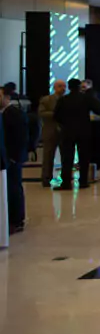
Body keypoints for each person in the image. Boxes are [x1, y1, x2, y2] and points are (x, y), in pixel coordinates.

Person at [54, 78, 100, 190]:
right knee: (84, 157)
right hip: (84, 131)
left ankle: (66, 183)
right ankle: (83, 181)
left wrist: (65, 123)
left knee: (67, 158)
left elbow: (56, 116)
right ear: (79, 87)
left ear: (69, 87)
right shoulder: (86, 98)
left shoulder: (63, 100)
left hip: (67, 131)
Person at [2, 86, 29, 234]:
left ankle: (16, 220)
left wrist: (14, 157)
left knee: (13, 188)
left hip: (12, 158)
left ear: (7, 97)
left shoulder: (14, 114)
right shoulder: (5, 113)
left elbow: (21, 138)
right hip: (7, 157)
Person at [38, 80, 66, 188]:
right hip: (50, 131)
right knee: (48, 156)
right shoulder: (46, 99)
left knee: (65, 156)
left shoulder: (67, 100)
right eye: (60, 86)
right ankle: (46, 178)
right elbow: (41, 113)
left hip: (64, 132)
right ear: (54, 87)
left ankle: (65, 178)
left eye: (64, 86)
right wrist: (56, 114)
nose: (63, 88)